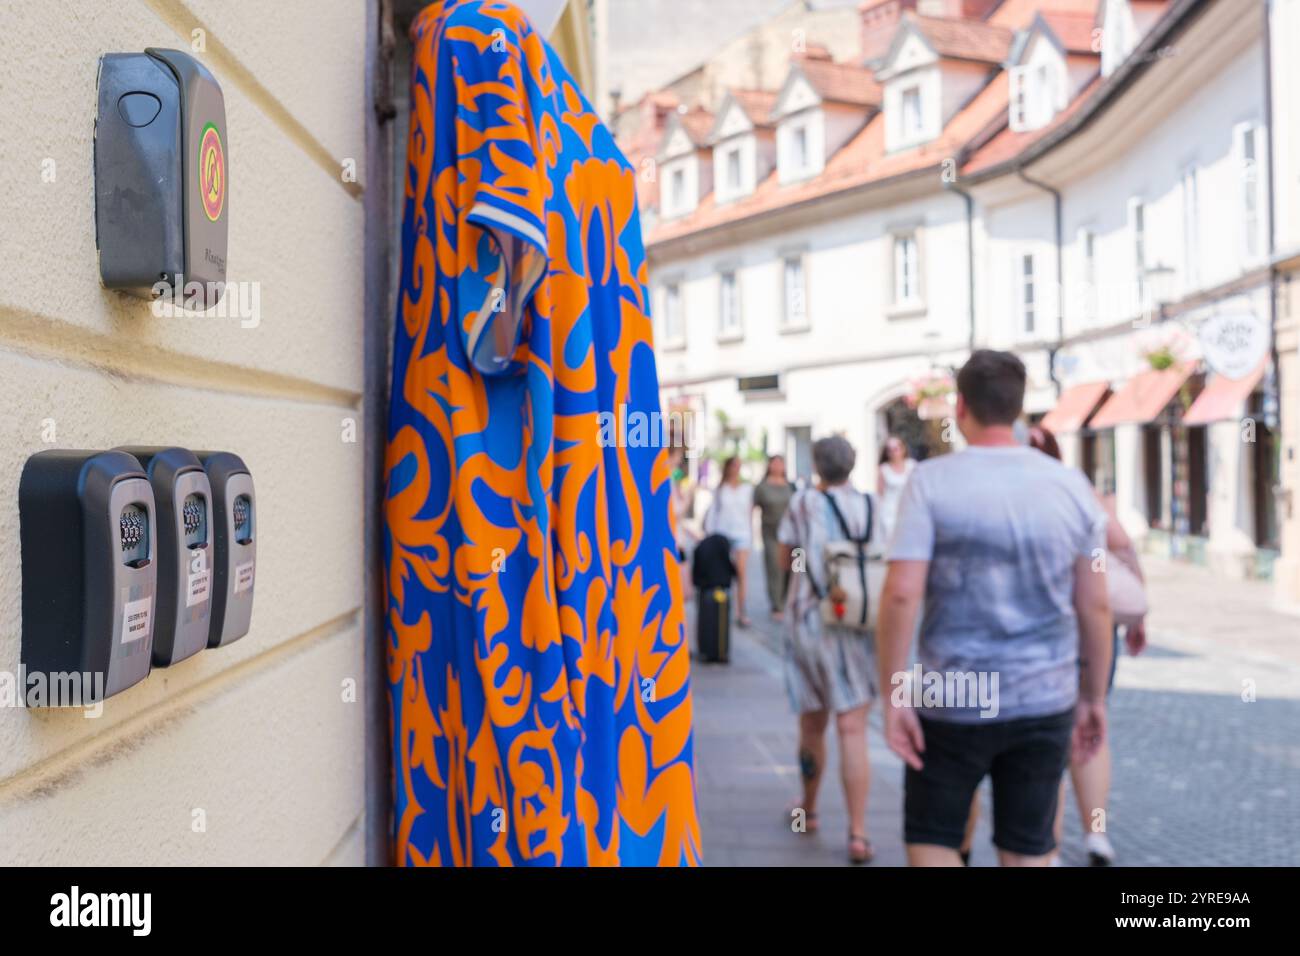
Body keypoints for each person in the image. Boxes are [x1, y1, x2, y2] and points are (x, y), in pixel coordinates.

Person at [876, 349, 1113, 867]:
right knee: (1029, 847)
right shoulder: (1071, 487)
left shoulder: (930, 482)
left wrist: (894, 694)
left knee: (935, 837)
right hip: (1044, 695)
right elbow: (1096, 604)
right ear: (1018, 407)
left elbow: (900, 592)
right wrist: (1093, 696)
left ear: (961, 406)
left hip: (950, 696)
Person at [1026, 425, 1147, 867]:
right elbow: (1122, 544)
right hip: (1093, 631)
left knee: (1048, 736)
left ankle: (1051, 847)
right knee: (1092, 727)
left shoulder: (1013, 493)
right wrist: (1138, 613)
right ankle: (1096, 835)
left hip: (1046, 633)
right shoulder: (1075, 488)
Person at [777, 436, 881, 864]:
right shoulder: (873, 506)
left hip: (810, 621)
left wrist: (809, 569)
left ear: (818, 465)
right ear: (852, 464)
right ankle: (858, 834)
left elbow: (787, 559)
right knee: (852, 728)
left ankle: (809, 808)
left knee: (812, 723)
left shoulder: (803, 504)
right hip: (859, 622)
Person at [704, 456, 755, 627]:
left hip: (742, 533)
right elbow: (713, 514)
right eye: (734, 466)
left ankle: (741, 611)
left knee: (741, 573)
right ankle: (723, 607)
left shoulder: (747, 489)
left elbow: (749, 513)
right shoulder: (720, 489)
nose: (736, 469)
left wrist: (751, 535)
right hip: (722, 535)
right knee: (723, 574)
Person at [753, 454, 795, 621]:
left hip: (792, 535)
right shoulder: (762, 487)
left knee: (795, 568)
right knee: (775, 567)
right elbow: (752, 507)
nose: (778, 466)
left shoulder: (791, 486)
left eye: (781, 463)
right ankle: (776, 604)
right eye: (775, 463)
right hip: (771, 533)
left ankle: (788, 600)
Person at [876, 436, 916, 546]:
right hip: (889, 513)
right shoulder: (883, 469)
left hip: (908, 509)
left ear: (903, 449)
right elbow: (880, 494)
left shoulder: (912, 466)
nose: (893, 453)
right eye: (890, 450)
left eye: (896, 448)